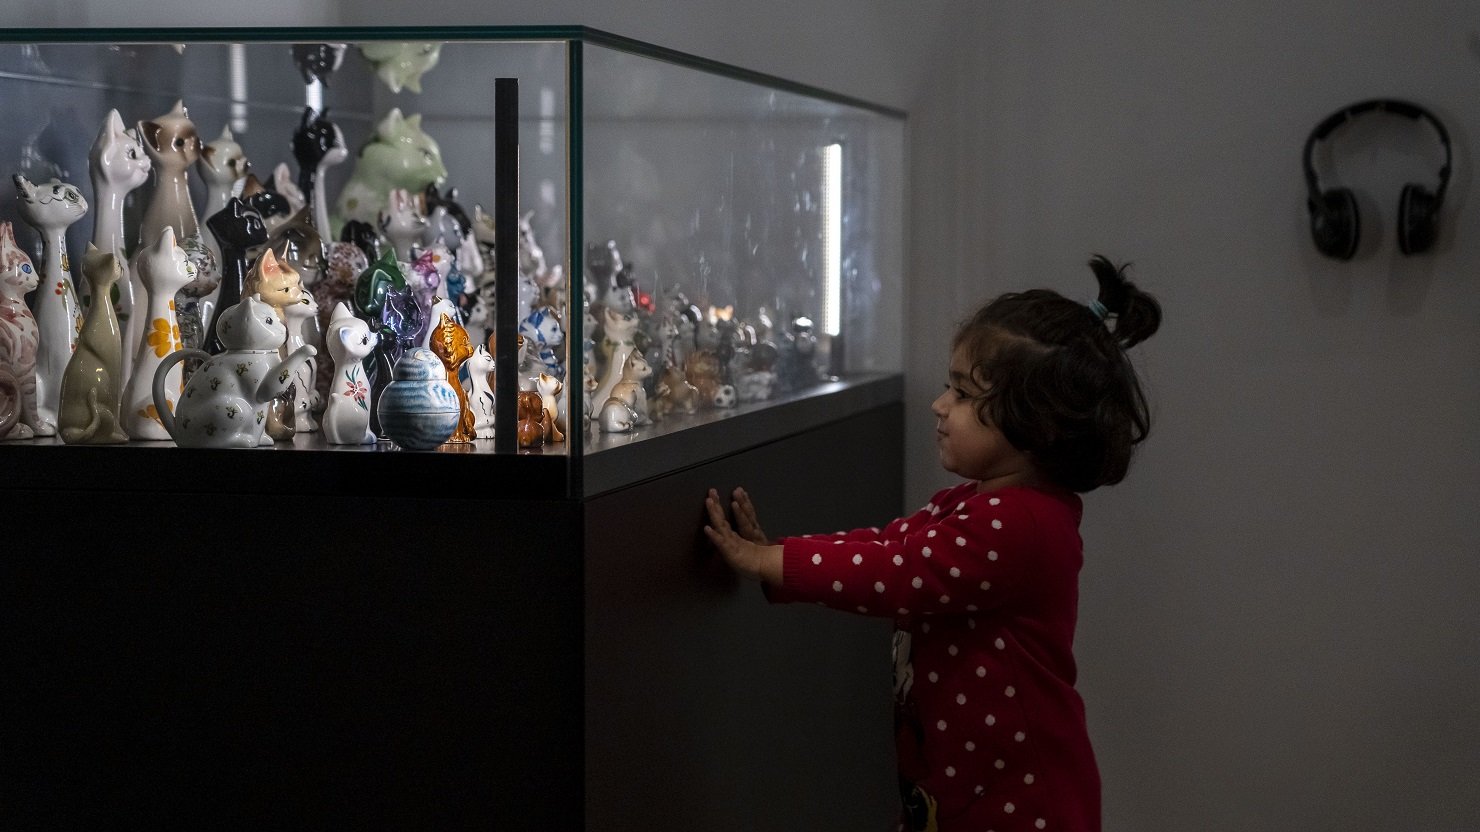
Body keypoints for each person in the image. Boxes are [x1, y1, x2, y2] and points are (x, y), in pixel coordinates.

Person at [703, 255, 1162, 832]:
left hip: (1021, 809)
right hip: (961, 797)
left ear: (1036, 422)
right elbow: (889, 546)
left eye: (965, 395)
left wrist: (773, 561)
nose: (940, 405)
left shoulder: (1023, 526)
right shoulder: (976, 503)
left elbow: (896, 570)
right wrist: (778, 559)